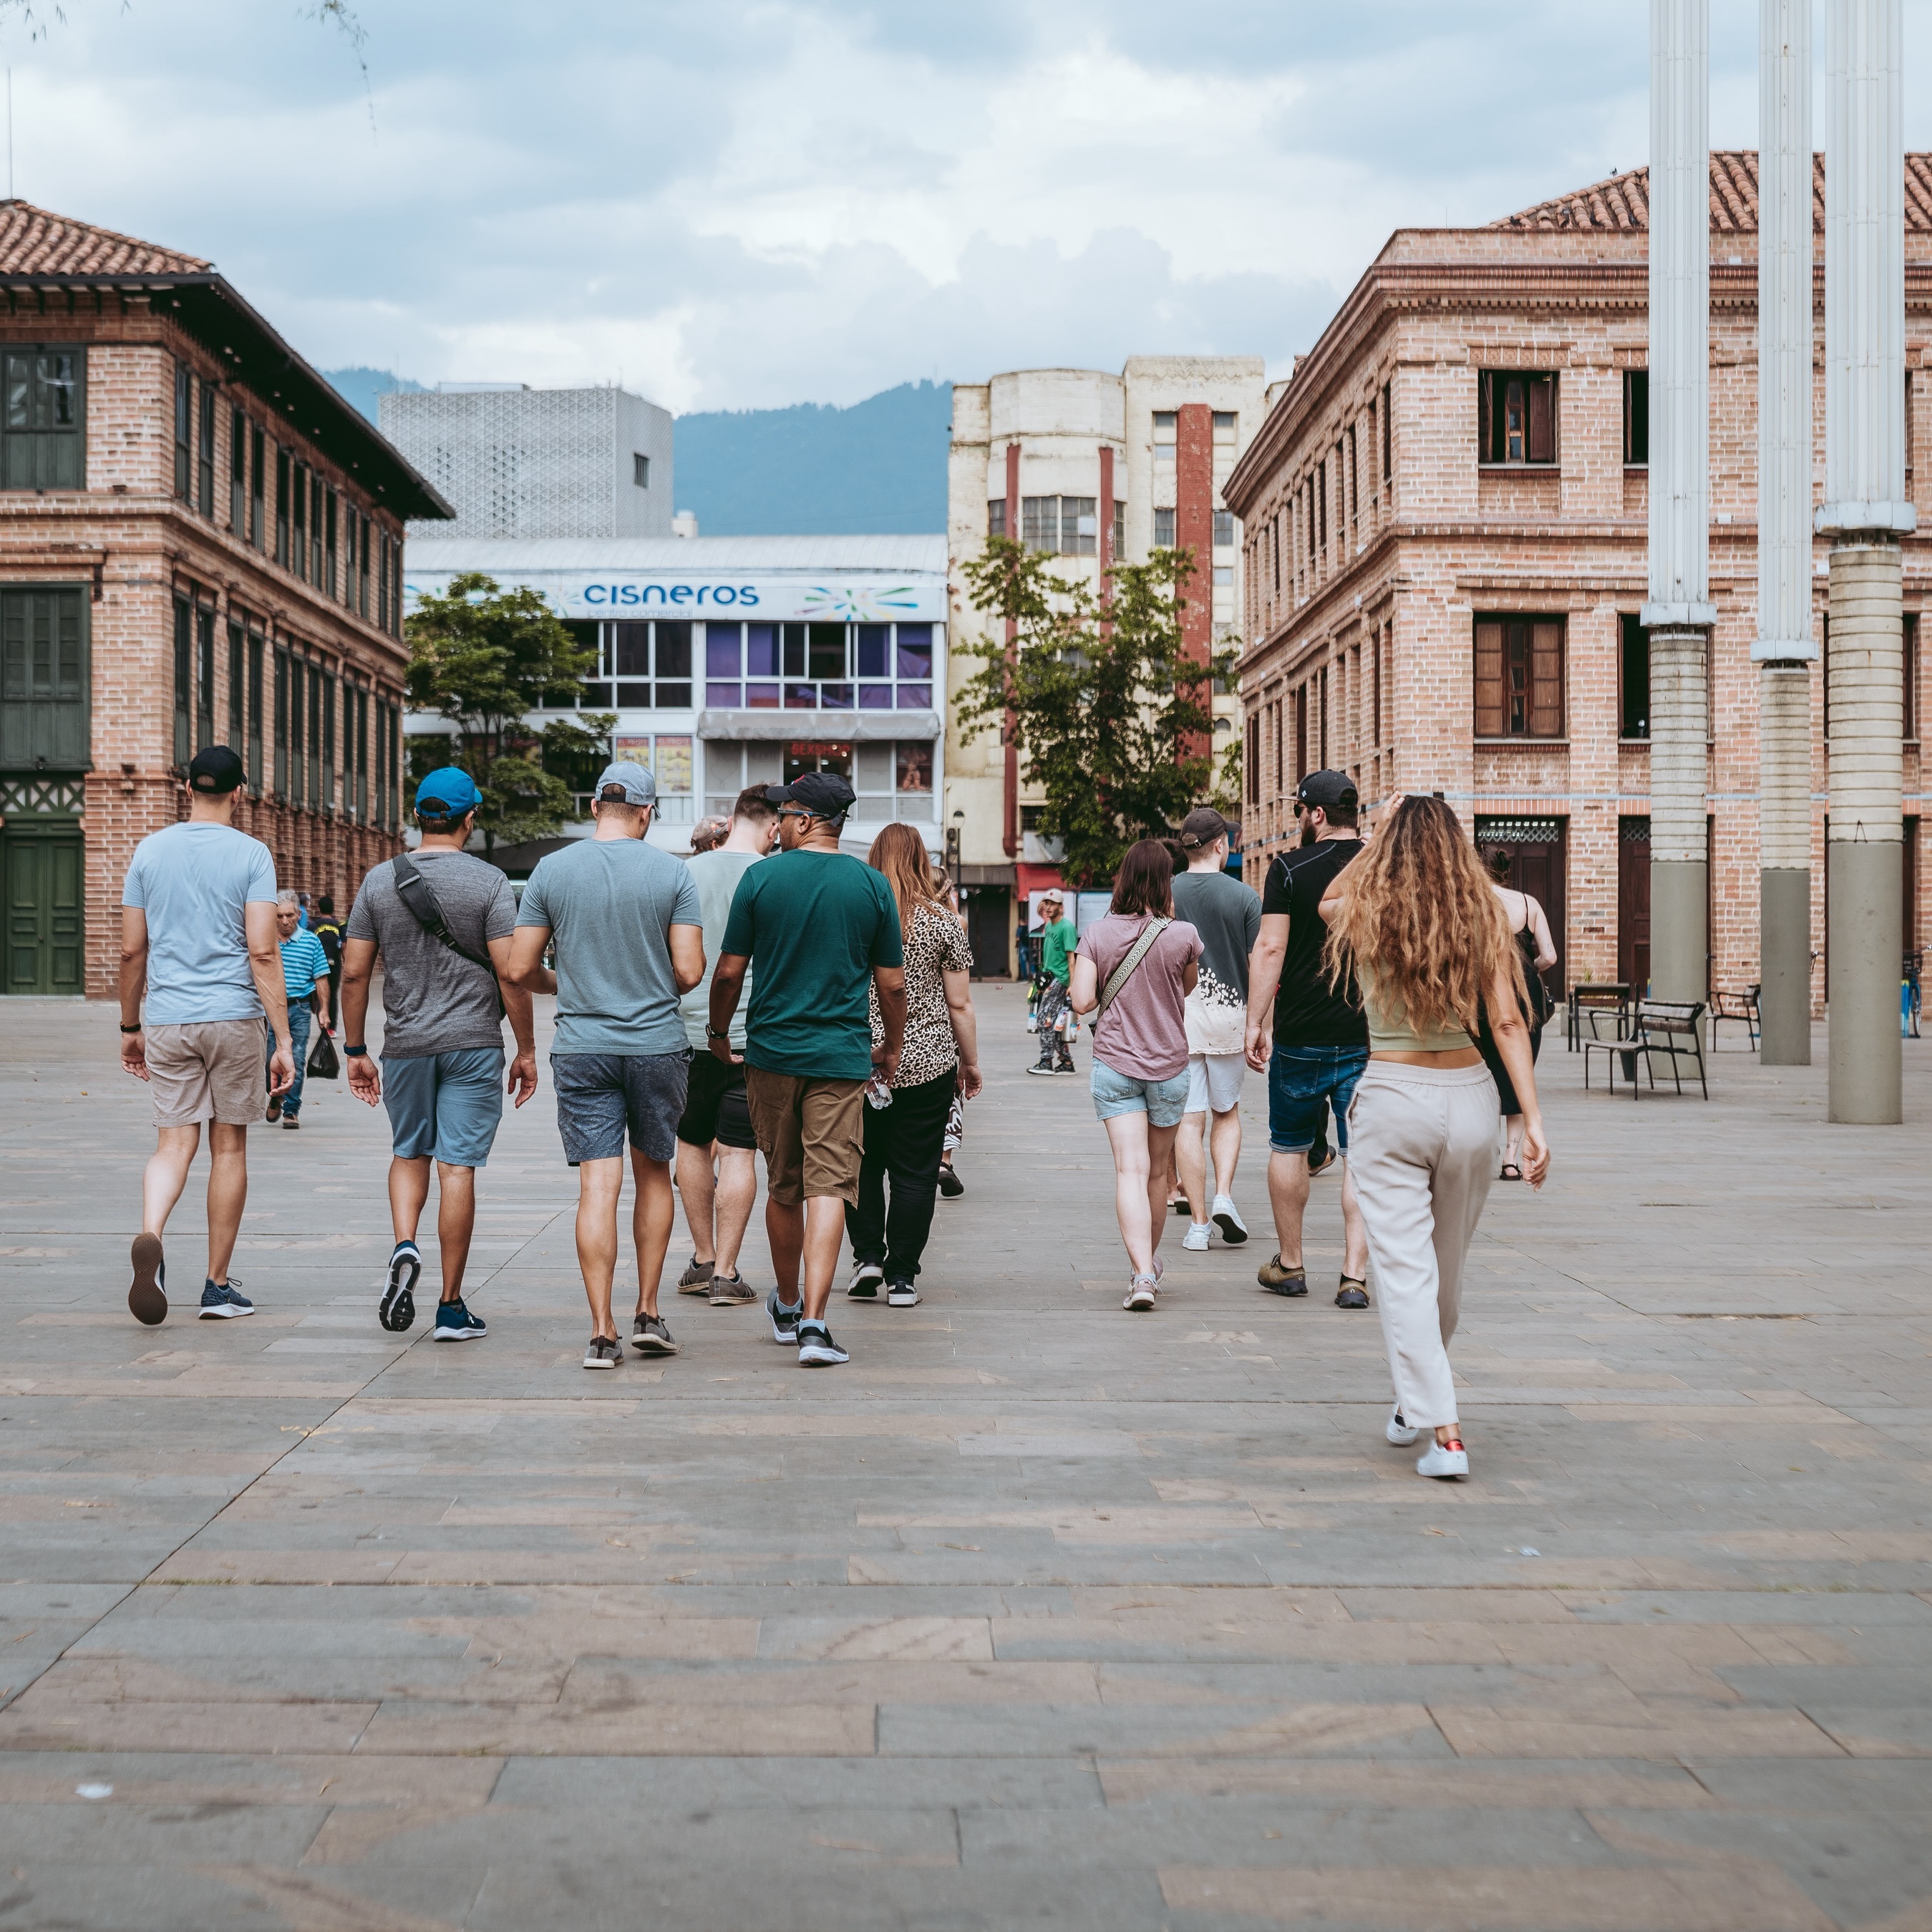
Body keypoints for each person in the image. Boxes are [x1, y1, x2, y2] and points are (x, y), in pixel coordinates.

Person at [1320, 793, 1550, 1481]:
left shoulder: (1364, 910)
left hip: (1391, 1099)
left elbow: (1327, 897)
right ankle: (1411, 1401)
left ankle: (1445, 1433)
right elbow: (1509, 1024)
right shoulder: (1482, 915)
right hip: (1473, 1101)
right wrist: (1533, 1121)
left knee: (1405, 1273)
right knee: (1444, 1271)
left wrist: (1378, 837)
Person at [507, 763, 704, 1371]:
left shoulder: (551, 870)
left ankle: (601, 1330)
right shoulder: (674, 873)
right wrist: (647, 980)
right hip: (655, 1045)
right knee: (653, 1173)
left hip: (582, 1045)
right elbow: (691, 972)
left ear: (595, 807)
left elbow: (517, 968)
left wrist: (566, 981)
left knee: (597, 1185)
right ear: (646, 813)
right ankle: (648, 1310)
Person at [708, 770, 906, 1368]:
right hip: (841, 1058)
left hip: (770, 1054)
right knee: (830, 1185)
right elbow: (892, 984)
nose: (777, 827)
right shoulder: (871, 886)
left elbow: (727, 972)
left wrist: (719, 1034)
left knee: (784, 1184)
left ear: (801, 821)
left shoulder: (760, 879)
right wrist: (890, 1048)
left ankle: (789, 1306)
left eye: (783, 817)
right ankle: (817, 1326)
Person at [340, 767, 538, 1344]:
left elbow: (353, 973)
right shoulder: (490, 882)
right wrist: (526, 1050)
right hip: (473, 1044)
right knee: (458, 1169)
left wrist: (355, 1049)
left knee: (409, 1152)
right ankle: (450, 1307)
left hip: (404, 1044)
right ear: (469, 818)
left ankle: (406, 1242)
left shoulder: (380, 880)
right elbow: (511, 973)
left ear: (418, 816)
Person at [118, 744, 293, 1324]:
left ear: (186, 787)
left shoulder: (148, 850)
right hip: (232, 1015)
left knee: (172, 1144)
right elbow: (263, 950)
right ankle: (217, 1287)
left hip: (168, 1015)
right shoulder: (252, 854)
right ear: (240, 791)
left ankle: (151, 1235)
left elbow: (130, 950)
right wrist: (283, 1038)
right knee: (229, 1146)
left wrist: (129, 1026)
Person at [1244, 770, 1374, 1309]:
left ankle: (1291, 1264)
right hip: (1368, 1030)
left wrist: (1256, 1021)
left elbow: (1270, 949)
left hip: (1299, 1029)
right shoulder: (1381, 866)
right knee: (1360, 1153)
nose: (1298, 818)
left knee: (1289, 1144)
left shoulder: (1287, 868)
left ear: (1315, 814)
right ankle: (1352, 1275)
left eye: (1300, 809)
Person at [845, 823, 981, 1307]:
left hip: (856, 1059)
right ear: (922, 860)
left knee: (861, 1164)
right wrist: (971, 1062)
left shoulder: (853, 916)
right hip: (928, 1062)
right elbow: (960, 1004)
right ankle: (902, 1277)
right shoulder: (943, 921)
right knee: (916, 1172)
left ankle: (867, 1258)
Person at [1067, 840, 1202, 1312]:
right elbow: (1185, 987)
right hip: (1168, 1065)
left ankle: (1142, 1272)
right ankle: (1147, 1266)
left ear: (1123, 878)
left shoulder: (1097, 933)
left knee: (1129, 1169)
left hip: (1115, 1064)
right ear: (1166, 882)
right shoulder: (1183, 934)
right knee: (1158, 1176)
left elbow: (1082, 1001)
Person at [674, 785, 777, 1306]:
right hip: (750, 1037)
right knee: (739, 1151)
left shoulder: (685, 874)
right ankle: (728, 1274)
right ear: (774, 827)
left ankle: (702, 1257)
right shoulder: (769, 877)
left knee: (691, 1141)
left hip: (685, 1035)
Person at [1170, 807, 1262, 1252]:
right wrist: (1262, 1024)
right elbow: (1257, 965)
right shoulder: (1244, 897)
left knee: (1190, 1120)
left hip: (1179, 1018)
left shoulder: (1165, 893)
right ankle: (1224, 1195)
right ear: (1222, 844)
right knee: (1227, 1113)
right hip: (1231, 1016)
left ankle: (1199, 1225)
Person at [1487, 851, 1558, 1180]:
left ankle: (1481, 1152)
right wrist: (1531, 966)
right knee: (1519, 1077)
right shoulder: (1529, 904)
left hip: (1485, 998)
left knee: (1484, 1077)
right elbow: (1550, 956)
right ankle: (1511, 1160)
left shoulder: (1474, 902)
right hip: (1527, 998)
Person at [267, 892, 329, 1130]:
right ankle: (275, 1094)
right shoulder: (266, 942)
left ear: (299, 915)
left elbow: (321, 978)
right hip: (271, 1009)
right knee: (270, 1058)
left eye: (289, 915)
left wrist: (324, 1010)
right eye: (280, 916)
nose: (284, 921)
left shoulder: (311, 942)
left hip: (300, 1008)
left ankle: (291, 1110)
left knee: (298, 1057)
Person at [1029, 889, 1077, 1075]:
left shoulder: (1067, 928)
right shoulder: (1049, 926)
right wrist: (1040, 983)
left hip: (1060, 978)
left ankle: (1046, 1060)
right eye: (1046, 903)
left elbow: (1071, 959)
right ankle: (1066, 1062)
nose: (1048, 907)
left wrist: (1072, 985)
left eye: (1052, 904)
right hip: (1047, 978)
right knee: (1055, 1022)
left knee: (1044, 1018)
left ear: (1060, 906)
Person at [311, 893, 345, 1031]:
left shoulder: (313, 926)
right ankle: (332, 1028)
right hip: (335, 965)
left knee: (320, 994)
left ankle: (322, 1024)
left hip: (318, 965)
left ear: (319, 908)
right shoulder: (340, 926)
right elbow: (345, 946)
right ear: (333, 909)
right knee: (333, 996)